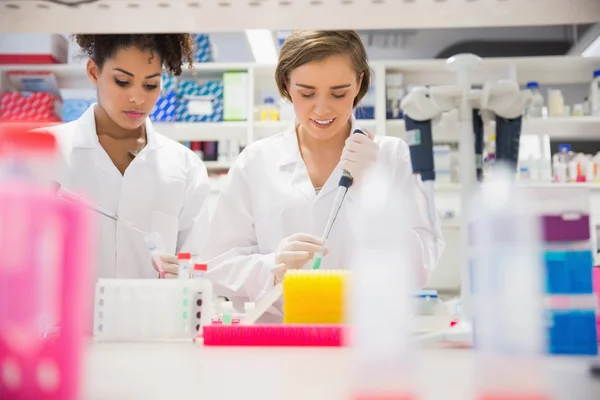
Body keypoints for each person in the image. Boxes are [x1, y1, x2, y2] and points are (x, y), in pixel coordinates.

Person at [202, 30, 444, 321]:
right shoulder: (256, 161)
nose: (322, 108)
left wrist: (372, 185)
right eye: (306, 93)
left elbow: (421, 266)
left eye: (338, 93)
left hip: (365, 335)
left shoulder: (392, 157)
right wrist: (273, 265)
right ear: (285, 85)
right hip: (278, 338)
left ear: (359, 84)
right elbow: (217, 266)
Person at [46, 34, 210, 280]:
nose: (137, 98)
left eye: (150, 85)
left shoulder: (186, 167)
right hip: (67, 319)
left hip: (154, 316)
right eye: (122, 81)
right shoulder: (47, 153)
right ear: (93, 72)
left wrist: (188, 276)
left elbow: (199, 262)